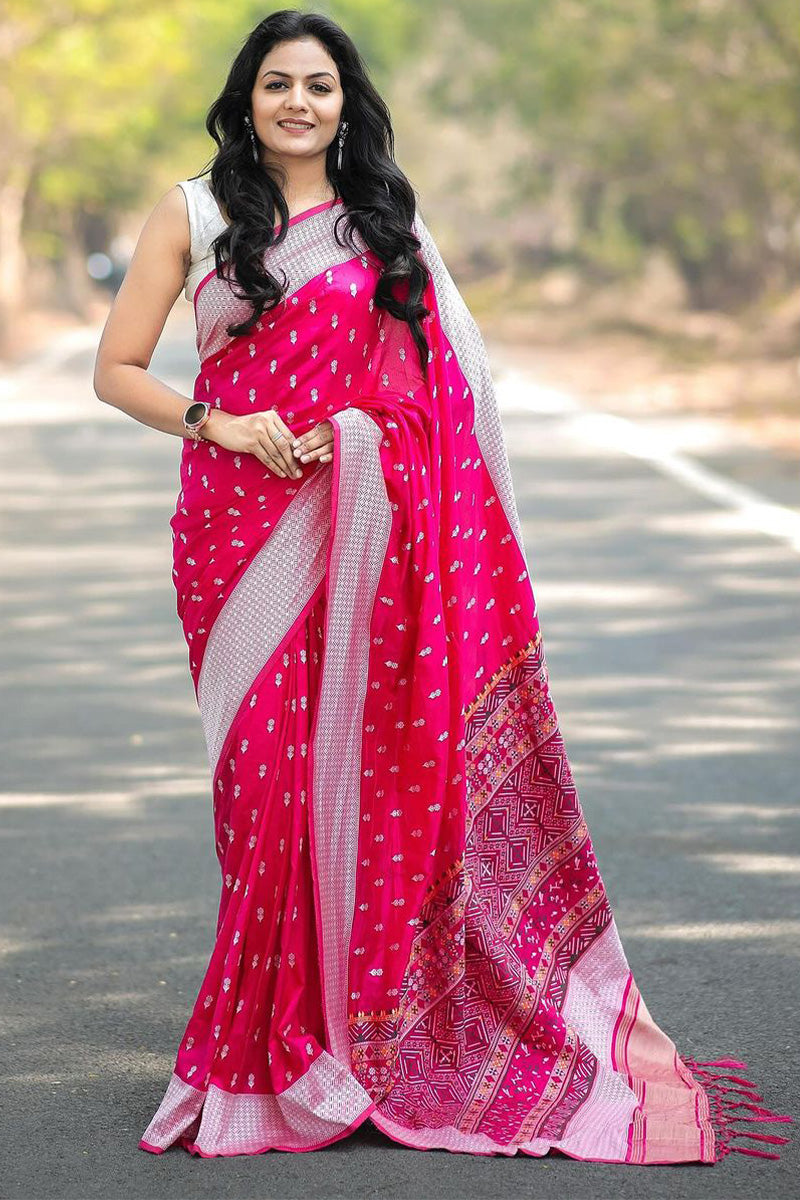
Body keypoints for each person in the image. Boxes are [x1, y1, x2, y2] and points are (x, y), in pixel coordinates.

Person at [93, 8, 790, 1164]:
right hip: (237, 531)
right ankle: (265, 1058)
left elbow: (441, 388)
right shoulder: (196, 212)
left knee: (363, 783)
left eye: (320, 85)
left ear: (346, 102)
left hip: (367, 532)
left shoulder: (384, 222)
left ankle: (357, 1047)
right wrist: (228, 423)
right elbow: (116, 371)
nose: (299, 105)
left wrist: (365, 437)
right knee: (263, 803)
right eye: (277, 84)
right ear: (245, 97)